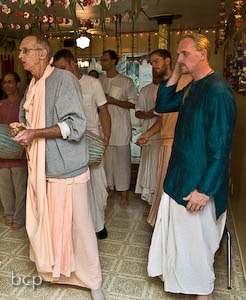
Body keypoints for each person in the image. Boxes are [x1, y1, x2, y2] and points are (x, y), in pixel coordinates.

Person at [10, 35, 105, 300]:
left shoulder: (64, 80)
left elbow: (75, 126)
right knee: (50, 225)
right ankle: (58, 273)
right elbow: (26, 117)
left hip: (66, 168)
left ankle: (93, 281)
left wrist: (35, 133)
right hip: (41, 168)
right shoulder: (33, 84)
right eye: (19, 51)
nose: (20, 55)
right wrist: (22, 128)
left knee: (80, 228)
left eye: (24, 50)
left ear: (42, 53)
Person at [147, 33, 236, 300]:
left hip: (197, 187)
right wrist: (176, 71)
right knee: (184, 248)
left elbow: (221, 148)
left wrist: (205, 190)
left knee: (197, 253)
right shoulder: (192, 86)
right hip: (179, 178)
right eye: (178, 54)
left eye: (185, 53)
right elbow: (162, 105)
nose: (180, 58)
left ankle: (203, 295)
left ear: (202, 54)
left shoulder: (218, 91)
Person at [53, 49, 111, 240]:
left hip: (93, 141)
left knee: (98, 186)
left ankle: (99, 225)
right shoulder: (58, 87)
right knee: (78, 189)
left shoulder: (92, 83)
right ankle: (80, 231)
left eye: (63, 68)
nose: (60, 72)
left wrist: (106, 139)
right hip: (70, 144)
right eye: (57, 69)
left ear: (72, 63)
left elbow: (104, 111)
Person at [135, 49, 172, 216]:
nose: (153, 66)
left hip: (171, 140)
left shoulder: (180, 84)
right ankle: (154, 207)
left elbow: (167, 116)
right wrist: (148, 133)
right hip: (154, 134)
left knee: (165, 176)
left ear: (168, 61)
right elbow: (143, 113)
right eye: (151, 64)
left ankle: (161, 213)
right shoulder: (150, 90)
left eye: (156, 62)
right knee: (153, 171)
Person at [100, 50, 137, 206]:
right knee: (106, 161)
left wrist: (114, 101)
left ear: (114, 61)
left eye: (105, 60)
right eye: (101, 60)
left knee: (122, 161)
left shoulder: (126, 81)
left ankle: (123, 194)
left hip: (121, 127)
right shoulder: (99, 81)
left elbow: (134, 103)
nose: (102, 62)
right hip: (103, 126)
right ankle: (107, 189)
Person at [0, 72, 27, 229]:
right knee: (4, 188)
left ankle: (19, 217)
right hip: (2, 154)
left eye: (10, 82)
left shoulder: (24, 105)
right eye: (4, 83)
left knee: (20, 188)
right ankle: (8, 214)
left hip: (19, 154)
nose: (7, 85)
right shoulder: (1, 104)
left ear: (18, 84)